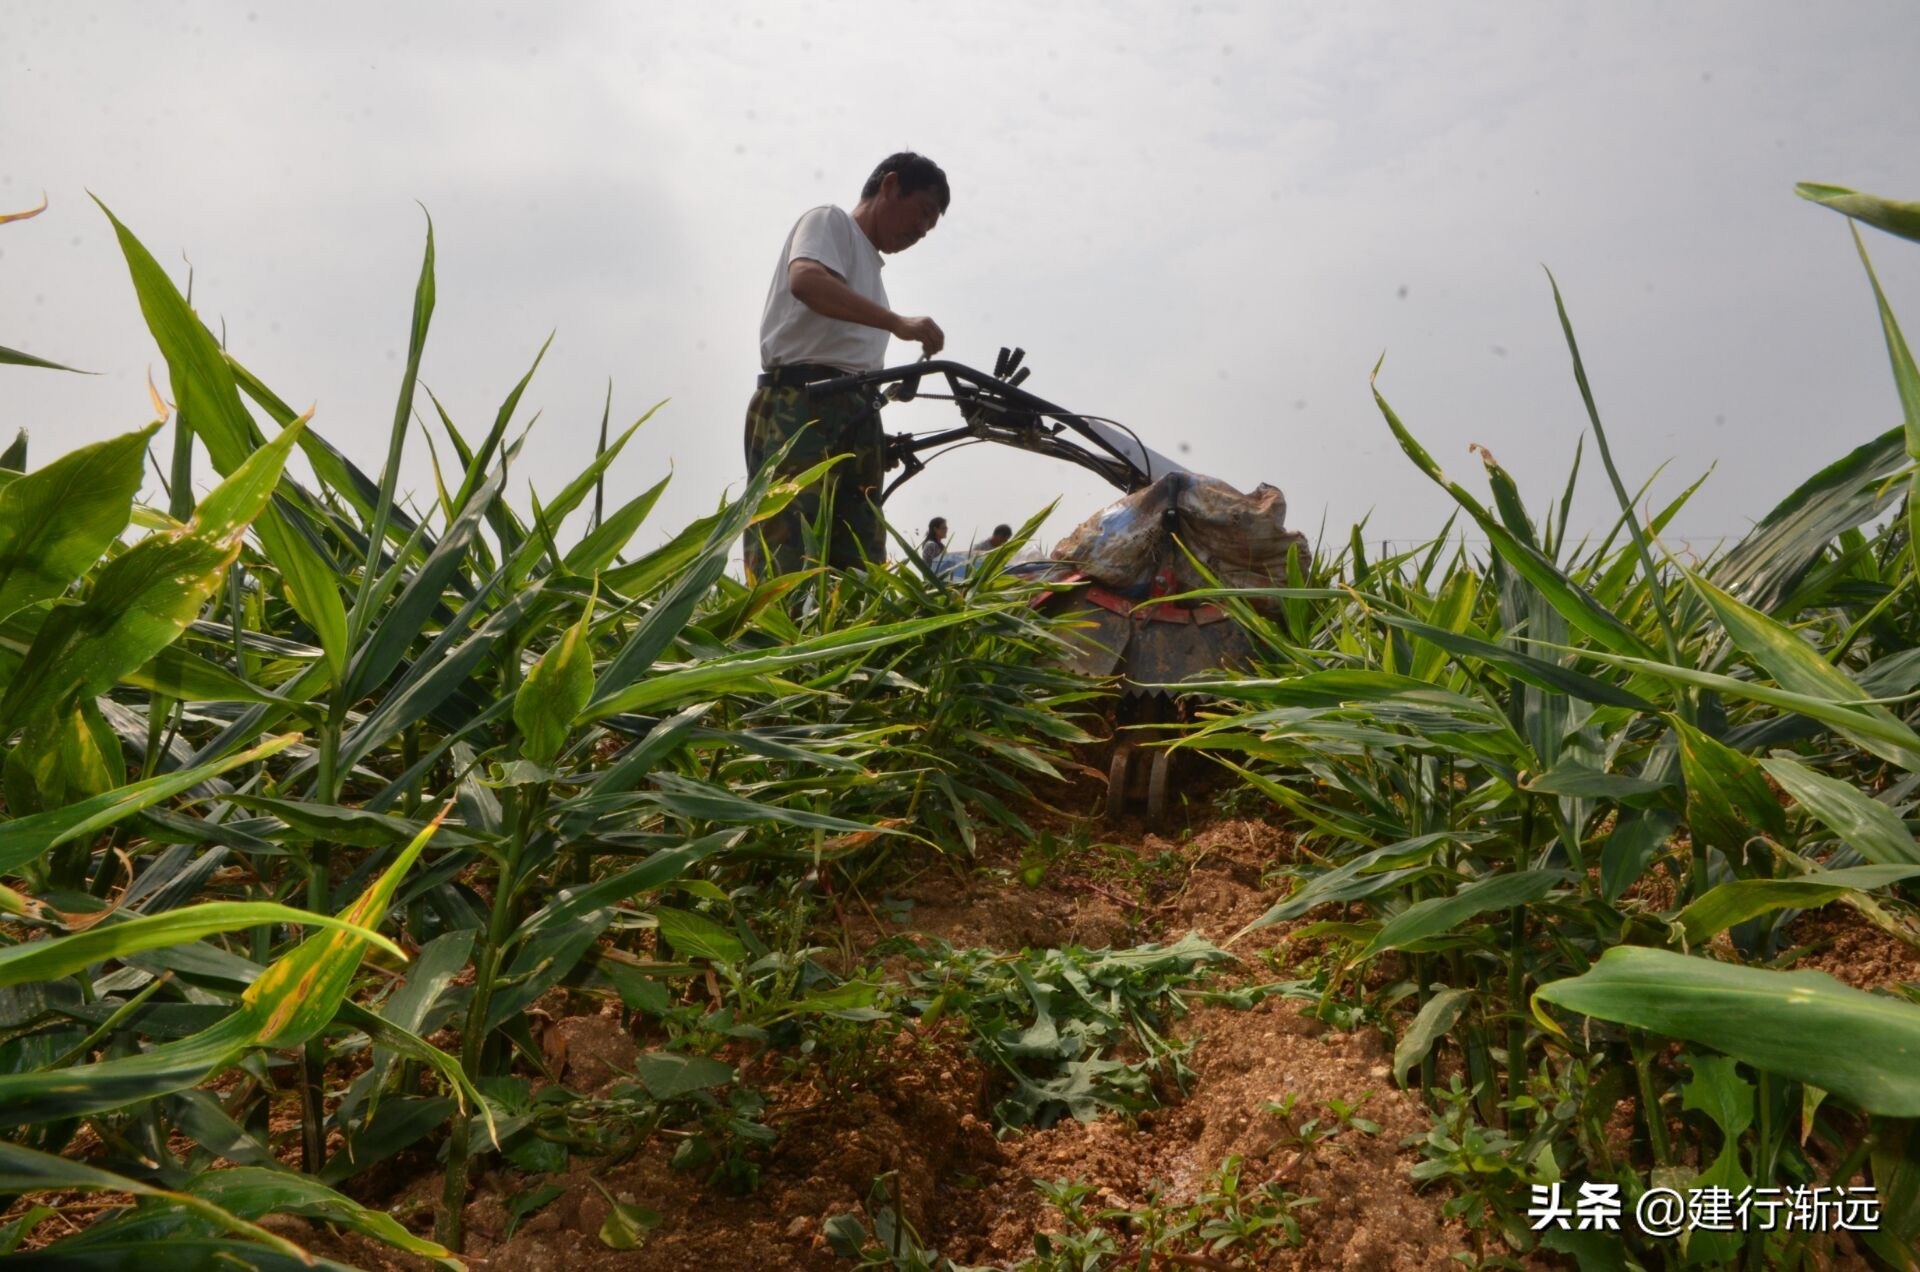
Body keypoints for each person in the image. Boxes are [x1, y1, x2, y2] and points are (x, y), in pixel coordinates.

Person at [743, 152, 950, 580]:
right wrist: (897, 323)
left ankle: (846, 641)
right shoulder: (829, 222)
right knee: (789, 552)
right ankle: (775, 641)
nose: (922, 230)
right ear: (890, 186)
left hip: (851, 414)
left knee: (857, 563)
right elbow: (806, 281)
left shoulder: (871, 275)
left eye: (931, 226)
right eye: (923, 213)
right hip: (800, 407)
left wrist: (873, 431)